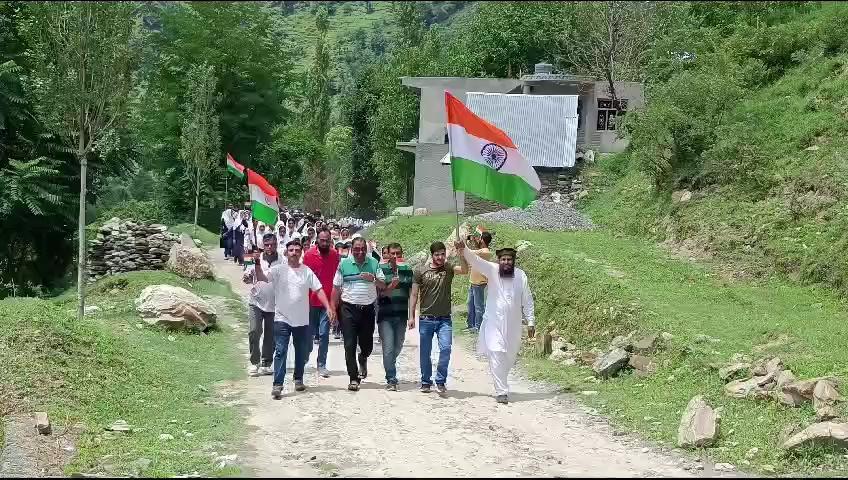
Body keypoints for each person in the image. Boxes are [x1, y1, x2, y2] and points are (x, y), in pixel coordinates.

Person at [253, 240, 336, 399]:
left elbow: (318, 289)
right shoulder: (278, 270)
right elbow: (263, 277)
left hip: (302, 320)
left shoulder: (307, 271)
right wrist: (257, 261)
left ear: (301, 253)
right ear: (286, 252)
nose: (294, 252)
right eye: (291, 250)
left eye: (297, 250)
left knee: (301, 352)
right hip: (281, 318)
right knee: (281, 351)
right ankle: (278, 384)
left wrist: (328, 307)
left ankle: (298, 379)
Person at [458, 241, 535, 405]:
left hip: (514, 326)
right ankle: (501, 391)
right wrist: (463, 248)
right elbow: (475, 261)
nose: (506, 262)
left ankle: (502, 381)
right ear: (498, 260)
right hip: (493, 322)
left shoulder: (521, 276)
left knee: (509, 357)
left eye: (509, 260)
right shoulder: (492, 270)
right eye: (503, 259)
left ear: (513, 261)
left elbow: (527, 300)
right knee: (496, 351)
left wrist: (531, 322)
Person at [408, 240, 468, 395]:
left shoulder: (448, 269)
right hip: (426, 319)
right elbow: (414, 294)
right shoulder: (420, 271)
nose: (440, 257)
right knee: (425, 352)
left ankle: (440, 380)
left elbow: (464, 270)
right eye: (437, 254)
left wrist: (462, 253)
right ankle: (426, 381)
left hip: (444, 319)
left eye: (443, 254)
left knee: (446, 348)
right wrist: (411, 316)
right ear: (432, 255)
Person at [332, 237, 381, 391]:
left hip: (367, 310)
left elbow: (383, 284)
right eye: (356, 249)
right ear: (351, 250)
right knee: (349, 344)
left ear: (366, 249)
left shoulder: (373, 263)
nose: (359, 252)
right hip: (348, 309)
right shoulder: (344, 264)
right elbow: (336, 288)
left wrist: (373, 279)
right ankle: (353, 378)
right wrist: (333, 309)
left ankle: (363, 357)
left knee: (367, 345)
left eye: (362, 249)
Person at [302, 228, 341, 378]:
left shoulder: (335, 255)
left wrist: (335, 303)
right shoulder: (309, 255)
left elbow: (337, 280)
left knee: (324, 334)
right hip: (311, 301)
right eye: (322, 240)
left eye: (327, 240)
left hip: (327, 303)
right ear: (317, 240)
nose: (324, 243)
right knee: (309, 335)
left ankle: (322, 364)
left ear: (331, 241)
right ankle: (305, 357)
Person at [242, 233, 281, 377]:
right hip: (255, 301)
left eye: (272, 244)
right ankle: (254, 362)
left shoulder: (282, 260)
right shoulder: (252, 257)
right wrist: (246, 278)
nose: (269, 247)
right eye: (267, 245)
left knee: (271, 335)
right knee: (254, 331)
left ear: (276, 244)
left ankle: (266, 363)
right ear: (263, 245)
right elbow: (246, 277)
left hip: (275, 303)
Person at [376, 242, 413, 391]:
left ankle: (388, 362)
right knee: (389, 348)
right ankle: (391, 378)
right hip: (385, 315)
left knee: (398, 346)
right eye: (393, 253)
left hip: (402, 315)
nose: (396, 256)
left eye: (398, 253)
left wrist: (412, 316)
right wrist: (391, 286)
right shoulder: (381, 270)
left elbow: (412, 294)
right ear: (388, 254)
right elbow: (380, 293)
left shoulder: (407, 270)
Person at [466, 230, 493, 333]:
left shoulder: (485, 252)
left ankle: (479, 327)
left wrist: (466, 243)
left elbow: (470, 252)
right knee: (470, 304)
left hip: (479, 283)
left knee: (478, 307)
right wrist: (472, 242)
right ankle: (470, 325)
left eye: (480, 238)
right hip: (473, 281)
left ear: (483, 239)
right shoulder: (480, 251)